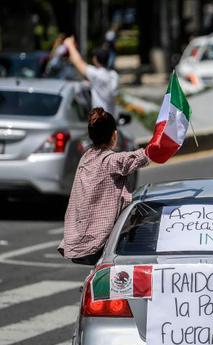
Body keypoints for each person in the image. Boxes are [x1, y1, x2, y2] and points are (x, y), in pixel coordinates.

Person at [58, 108, 149, 265]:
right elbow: (145, 155)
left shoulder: (86, 158)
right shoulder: (111, 161)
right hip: (103, 239)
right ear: (114, 135)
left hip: (82, 234)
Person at [64, 36, 119, 116]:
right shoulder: (113, 75)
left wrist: (70, 45)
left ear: (95, 60)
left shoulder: (97, 74)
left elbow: (79, 63)